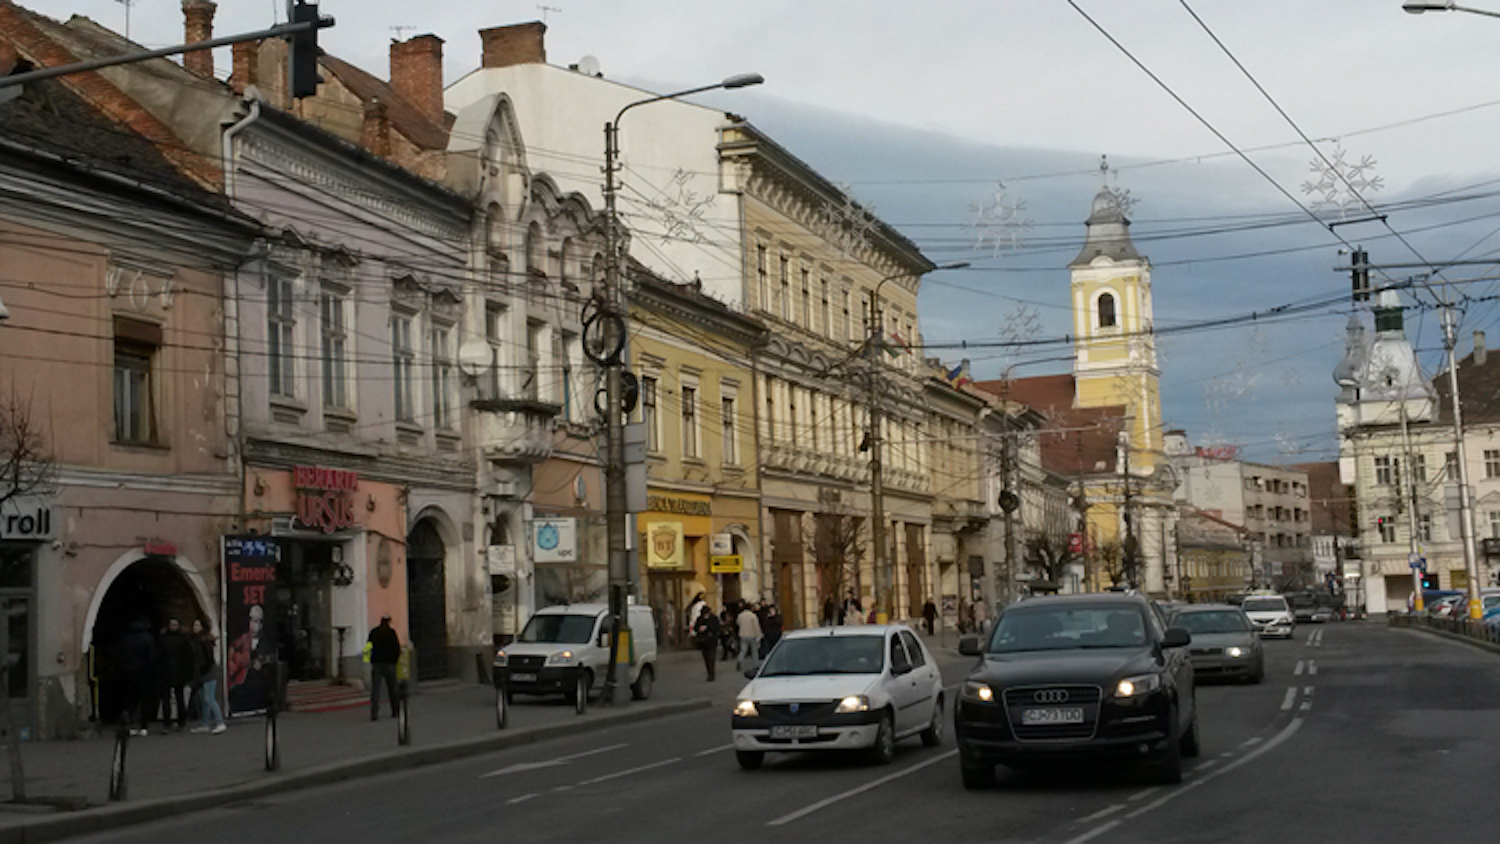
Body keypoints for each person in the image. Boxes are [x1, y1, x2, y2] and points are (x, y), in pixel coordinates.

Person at [227, 603, 275, 713]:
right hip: (242, 679)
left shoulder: (266, 642)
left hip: (256, 681)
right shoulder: (244, 638)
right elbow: (233, 648)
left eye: (256, 621)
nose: (253, 625)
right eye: (251, 620)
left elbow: (269, 658)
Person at [116, 617, 158, 737]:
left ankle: (129, 724)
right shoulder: (147, 638)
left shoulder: (125, 638)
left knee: (130, 700)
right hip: (144, 673)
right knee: (145, 700)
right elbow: (152, 658)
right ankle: (143, 726)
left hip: (127, 673)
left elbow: (120, 655)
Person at [189, 619, 227, 734]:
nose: (195, 627)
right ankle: (205, 723)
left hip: (208, 672)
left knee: (209, 698)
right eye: (194, 625)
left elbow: (209, 658)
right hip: (202, 672)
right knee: (203, 699)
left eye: (197, 625)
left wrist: (203, 669)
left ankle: (220, 722)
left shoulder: (204, 640)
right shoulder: (197, 640)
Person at [156, 617, 194, 733]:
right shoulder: (177, 639)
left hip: (175, 672)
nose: (173, 627)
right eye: (172, 624)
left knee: (177, 698)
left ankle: (178, 722)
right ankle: (169, 722)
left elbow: (188, 658)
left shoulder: (179, 640)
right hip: (170, 672)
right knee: (170, 699)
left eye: (175, 624)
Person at [367, 614, 401, 721]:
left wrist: (370, 660)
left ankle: (374, 712)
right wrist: (395, 660)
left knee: (375, 690)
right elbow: (397, 648)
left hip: (377, 664)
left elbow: (368, 647)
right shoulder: (391, 633)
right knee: (393, 688)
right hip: (389, 664)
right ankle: (395, 711)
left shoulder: (374, 632)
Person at [691, 606, 721, 681]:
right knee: (706, 658)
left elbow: (717, 628)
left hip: (712, 641)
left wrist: (707, 627)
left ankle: (711, 673)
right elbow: (695, 628)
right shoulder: (699, 619)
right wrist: (699, 629)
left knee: (711, 657)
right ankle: (709, 672)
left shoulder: (713, 618)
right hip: (703, 642)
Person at [736, 602, 763, 674]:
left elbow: (738, 623)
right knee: (754, 651)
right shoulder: (753, 616)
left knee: (743, 650)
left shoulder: (740, 616)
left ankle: (740, 660)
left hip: (742, 635)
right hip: (752, 635)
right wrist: (759, 635)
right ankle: (755, 665)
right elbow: (756, 626)